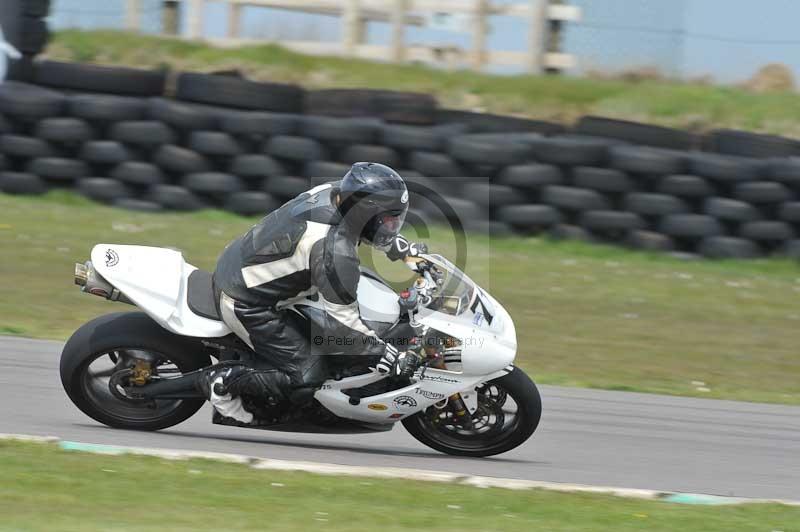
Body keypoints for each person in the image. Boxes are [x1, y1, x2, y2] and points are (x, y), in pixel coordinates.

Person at [207, 162, 427, 424]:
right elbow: (341, 324)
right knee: (307, 375)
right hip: (247, 301)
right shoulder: (334, 250)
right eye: (388, 220)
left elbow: (372, 228)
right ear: (364, 214)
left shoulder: (334, 193)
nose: (393, 226)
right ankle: (222, 382)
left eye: (396, 219)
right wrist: (386, 355)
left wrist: (407, 253)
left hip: (245, 263)